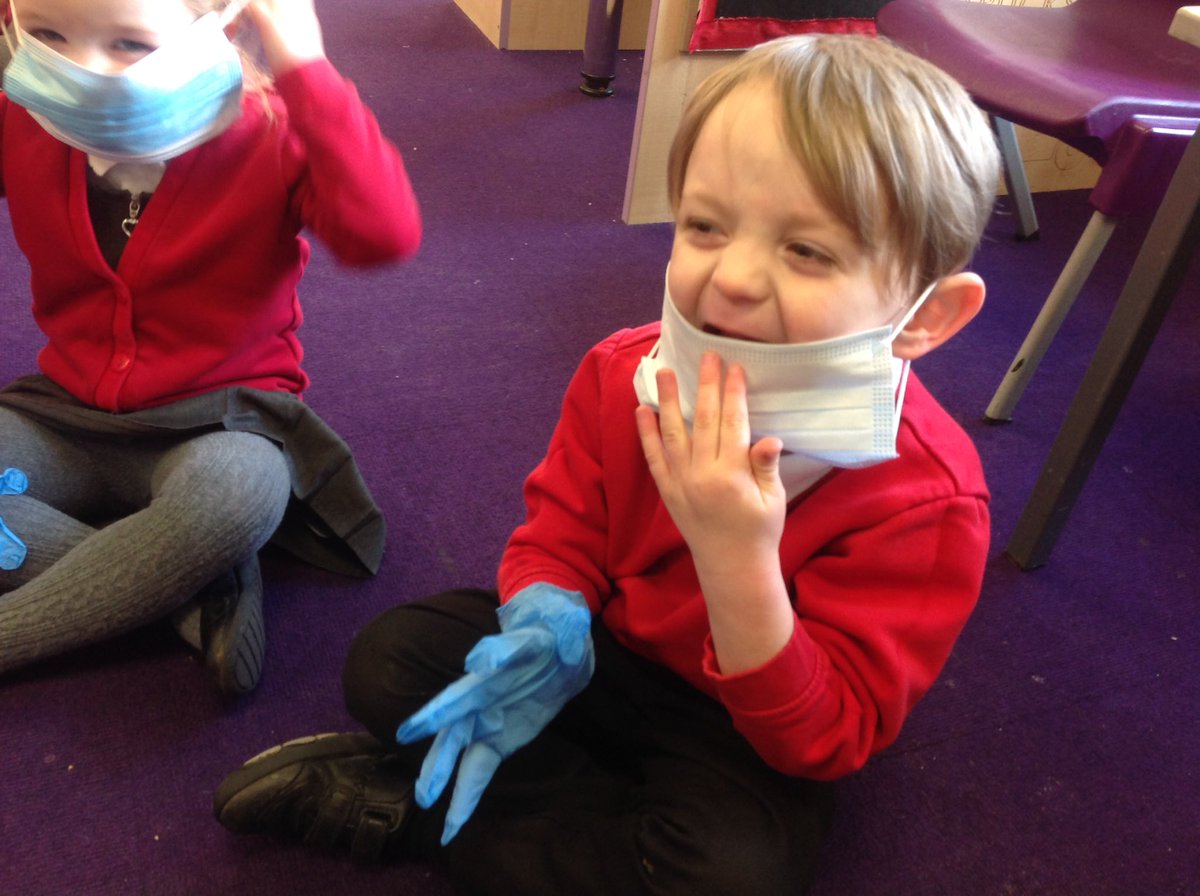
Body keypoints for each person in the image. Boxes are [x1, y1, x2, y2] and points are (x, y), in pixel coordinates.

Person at [213, 32, 999, 894]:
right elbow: (563, 531)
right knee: (389, 661)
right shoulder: (626, 371)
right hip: (598, 658)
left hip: (738, 722)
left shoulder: (928, 497)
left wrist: (737, 560)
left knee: (731, 877)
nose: (733, 278)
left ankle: (420, 817)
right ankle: (571, 821)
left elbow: (825, 736)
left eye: (806, 250)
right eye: (704, 226)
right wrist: (545, 612)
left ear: (928, 317)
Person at [0, 0, 421, 696]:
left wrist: (304, 66)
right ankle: (197, 597)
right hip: (67, 414)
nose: (82, 70)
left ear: (216, 28)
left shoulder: (270, 132)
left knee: (238, 497)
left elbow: (383, 233)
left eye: (130, 44)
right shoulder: (28, 117)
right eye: (48, 34)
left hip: (221, 421)